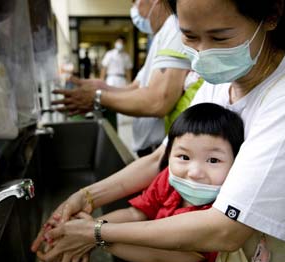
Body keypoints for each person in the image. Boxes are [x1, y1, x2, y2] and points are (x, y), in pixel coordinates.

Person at [32, 1, 285, 262]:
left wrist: (96, 233)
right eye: (190, 36)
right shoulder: (218, 83)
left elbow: (226, 230)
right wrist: (85, 197)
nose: (203, 53)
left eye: (220, 37)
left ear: (271, 15)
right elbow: (160, 159)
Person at [41, 103, 244, 262]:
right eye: (183, 157)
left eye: (213, 160)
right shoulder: (169, 180)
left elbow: (160, 255)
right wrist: (87, 227)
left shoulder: (220, 211)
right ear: (169, 153)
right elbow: (136, 213)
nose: (194, 172)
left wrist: (95, 237)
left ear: (237, 163)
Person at [52, 0, 193, 157]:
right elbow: (135, 87)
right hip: (149, 146)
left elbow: (157, 101)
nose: (134, 10)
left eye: (135, 2)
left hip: (163, 148)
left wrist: (98, 97)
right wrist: (99, 86)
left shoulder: (174, 28)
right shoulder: (160, 35)